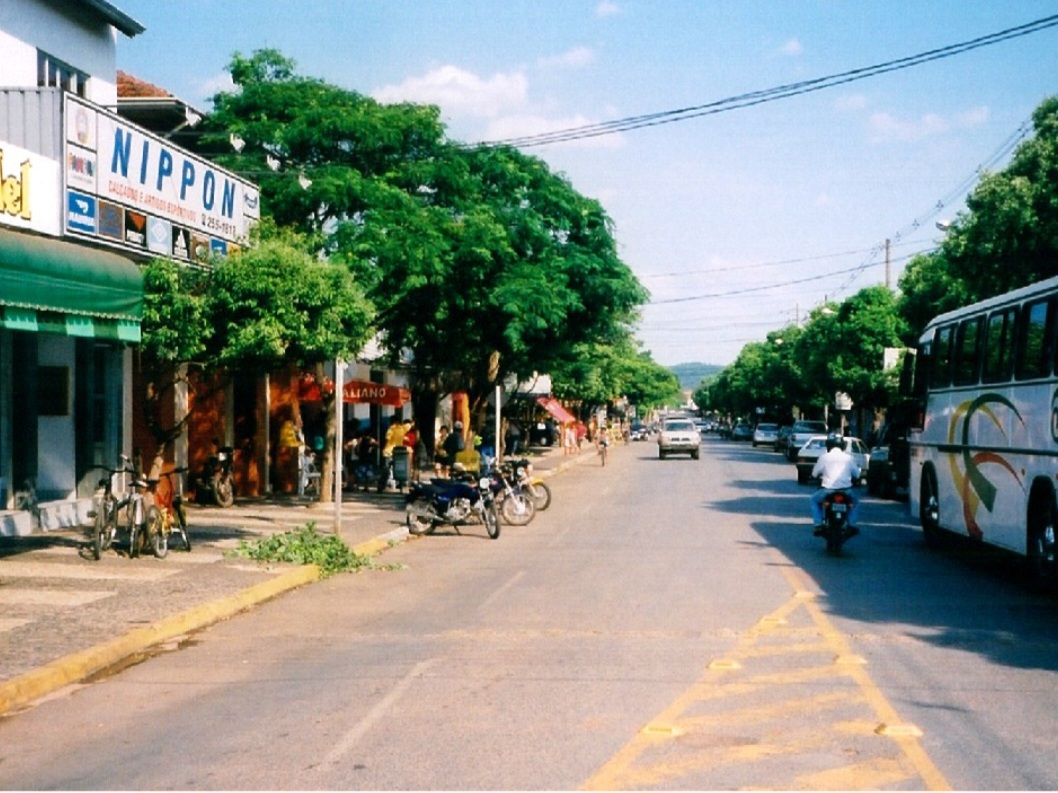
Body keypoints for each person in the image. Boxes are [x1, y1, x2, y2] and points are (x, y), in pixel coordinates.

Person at [810, 434, 861, 536]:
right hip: (846, 491)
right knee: (855, 503)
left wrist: (816, 476)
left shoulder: (824, 457)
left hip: (827, 490)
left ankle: (818, 524)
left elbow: (814, 473)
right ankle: (852, 524)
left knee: (814, 500)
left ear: (828, 445)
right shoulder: (848, 458)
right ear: (843, 445)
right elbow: (857, 474)